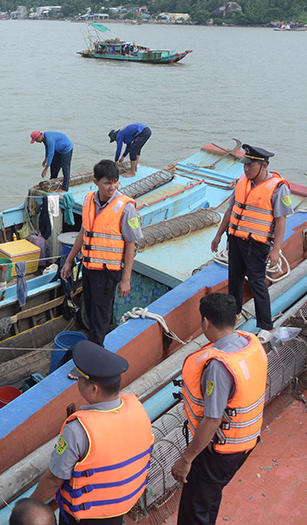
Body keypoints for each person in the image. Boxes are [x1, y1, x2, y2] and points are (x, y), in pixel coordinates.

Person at [31, 341, 153, 524]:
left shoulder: (78, 429)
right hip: (119, 510)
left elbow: (54, 480)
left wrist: (29, 506)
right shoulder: (138, 409)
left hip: (85, 518)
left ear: (93, 389)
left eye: (80, 377)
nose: (77, 379)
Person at [171, 293, 268, 525]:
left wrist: (186, 459)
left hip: (219, 453)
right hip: (246, 441)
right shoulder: (250, 344)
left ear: (206, 322)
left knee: (194, 510)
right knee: (210, 498)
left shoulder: (218, 366)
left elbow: (212, 420)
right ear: (235, 318)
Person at [210, 144, 293, 341]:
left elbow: (281, 221)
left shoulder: (278, 188)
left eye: (251, 166)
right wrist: (219, 234)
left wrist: (276, 250)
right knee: (234, 279)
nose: (246, 169)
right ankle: (234, 314)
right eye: (245, 165)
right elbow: (231, 210)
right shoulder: (242, 182)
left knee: (257, 282)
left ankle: (266, 325)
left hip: (256, 245)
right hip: (236, 239)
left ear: (263, 166)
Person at [60, 160, 142, 345]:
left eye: (115, 182)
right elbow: (84, 232)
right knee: (89, 309)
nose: (112, 187)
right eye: (107, 183)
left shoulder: (126, 208)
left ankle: (93, 358)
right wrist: (69, 261)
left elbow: (131, 244)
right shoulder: (89, 200)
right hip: (89, 268)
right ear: (96, 181)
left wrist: (126, 279)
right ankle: (94, 345)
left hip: (108, 273)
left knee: (100, 316)